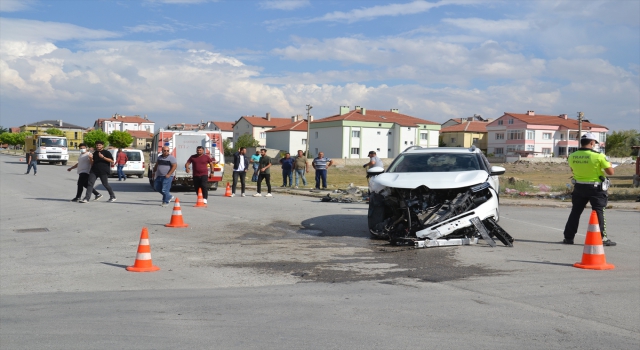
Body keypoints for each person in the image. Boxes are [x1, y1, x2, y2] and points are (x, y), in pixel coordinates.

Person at [562, 132, 616, 246]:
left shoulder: (572, 155)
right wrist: (609, 164)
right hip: (596, 188)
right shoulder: (599, 156)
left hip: (579, 187)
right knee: (598, 212)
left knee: (575, 212)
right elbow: (610, 172)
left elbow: (573, 170)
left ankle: (568, 238)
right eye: (594, 143)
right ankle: (602, 238)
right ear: (592, 142)